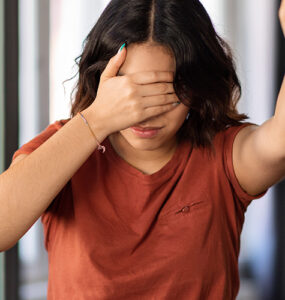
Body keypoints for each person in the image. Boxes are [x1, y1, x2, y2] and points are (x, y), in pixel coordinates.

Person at [1, 0, 285, 299]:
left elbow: (279, 144)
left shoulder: (224, 158)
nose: (145, 114)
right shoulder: (67, 146)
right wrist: (96, 120)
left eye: (166, 93)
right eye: (131, 94)